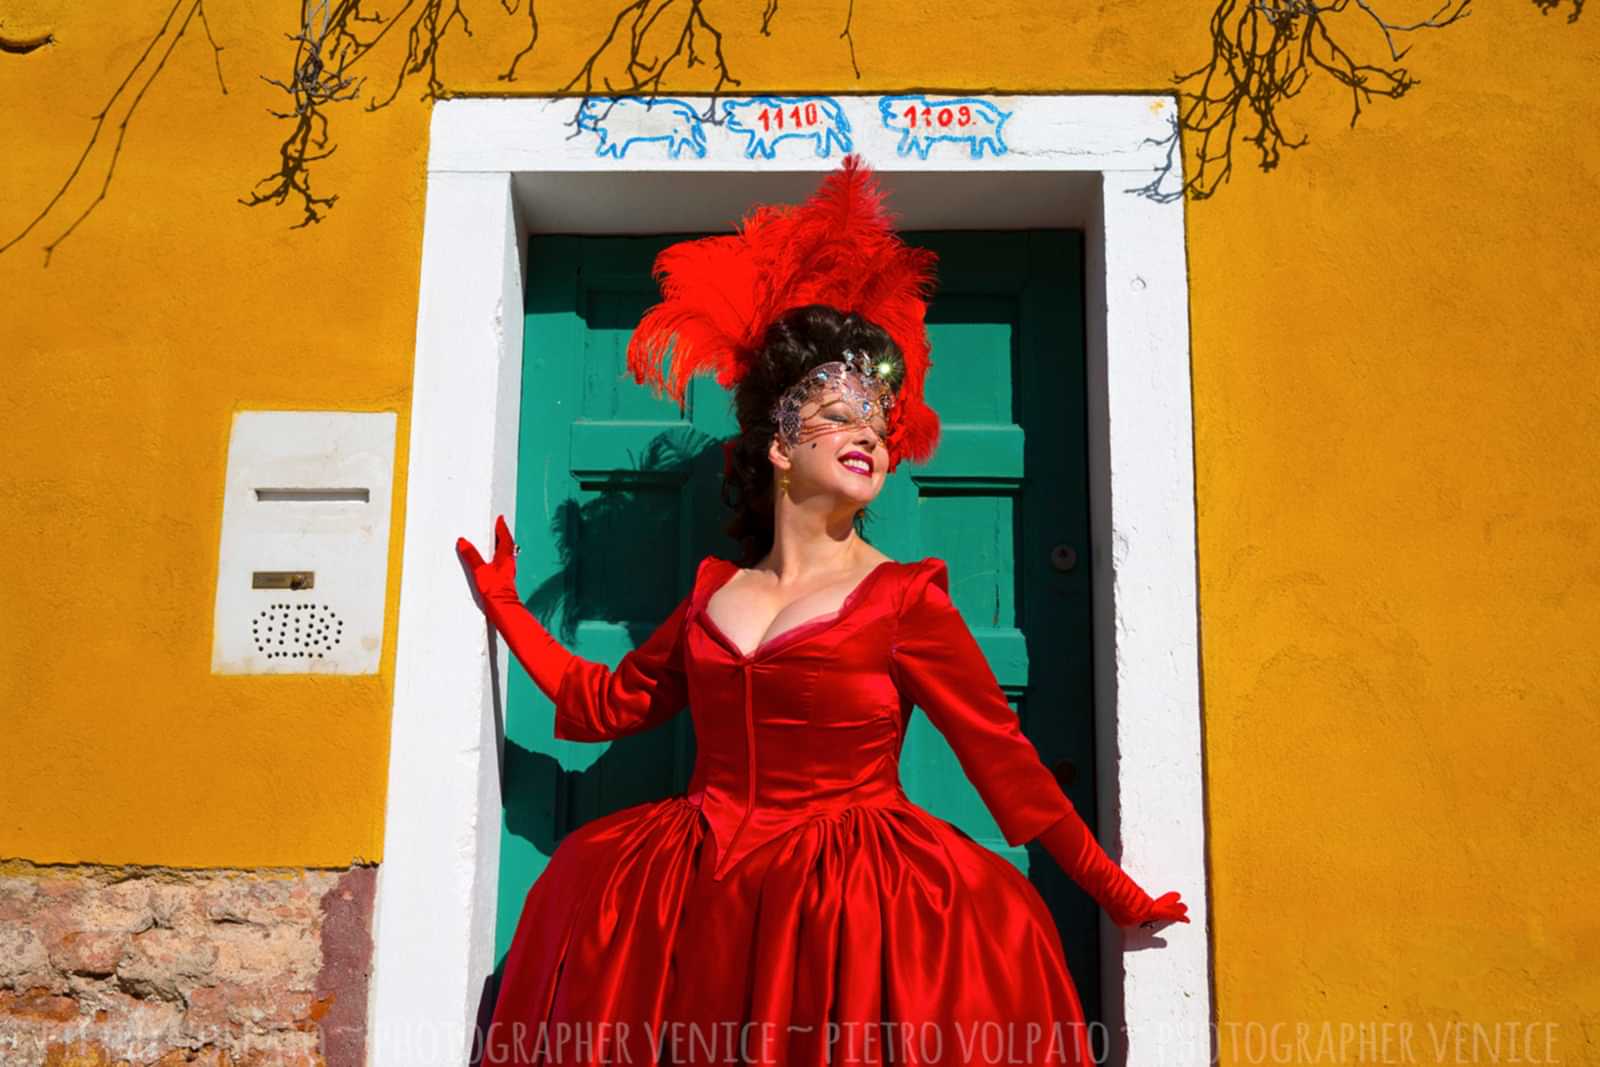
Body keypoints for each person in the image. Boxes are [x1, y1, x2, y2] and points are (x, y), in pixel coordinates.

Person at [456, 156, 1188, 1067]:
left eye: (879, 422)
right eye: (840, 414)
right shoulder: (711, 596)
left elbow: (1009, 767)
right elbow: (599, 706)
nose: (869, 432)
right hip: (701, 892)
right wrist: (504, 608)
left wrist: (1115, 891)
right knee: (578, 884)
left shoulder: (904, 598)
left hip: (848, 908)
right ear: (775, 445)